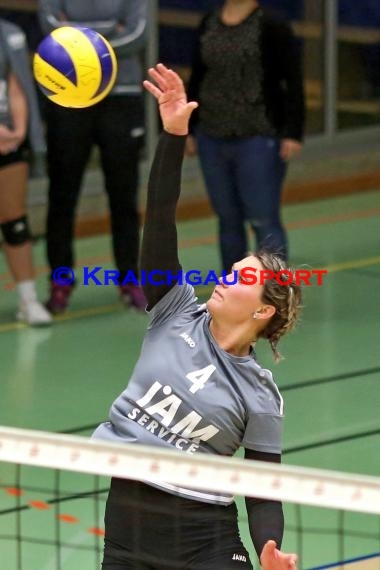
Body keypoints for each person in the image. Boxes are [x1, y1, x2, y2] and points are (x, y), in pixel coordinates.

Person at [93, 63, 302, 570]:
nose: (226, 276)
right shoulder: (174, 310)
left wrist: (269, 546)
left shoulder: (260, 392)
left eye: (242, 278)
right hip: (127, 528)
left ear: (262, 310)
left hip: (205, 540)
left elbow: (262, 486)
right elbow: (161, 213)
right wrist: (173, 135)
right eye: (232, 269)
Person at [37, 0, 148, 314]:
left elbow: (137, 34)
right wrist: (113, 29)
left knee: (124, 196)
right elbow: (51, 29)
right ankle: (60, 282)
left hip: (122, 98)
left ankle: (129, 279)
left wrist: (76, 37)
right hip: (69, 96)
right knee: (61, 197)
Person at [186, 0, 305, 271]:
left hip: (258, 135)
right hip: (212, 134)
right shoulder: (209, 22)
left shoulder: (271, 25)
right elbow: (198, 77)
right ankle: (233, 285)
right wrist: (189, 128)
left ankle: (275, 291)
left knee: (263, 218)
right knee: (227, 218)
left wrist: (293, 133)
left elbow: (293, 81)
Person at [0, 18, 52, 326]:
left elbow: (16, 83)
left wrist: (18, 131)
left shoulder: (9, 33)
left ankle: (28, 299)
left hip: (7, 141)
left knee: (15, 221)